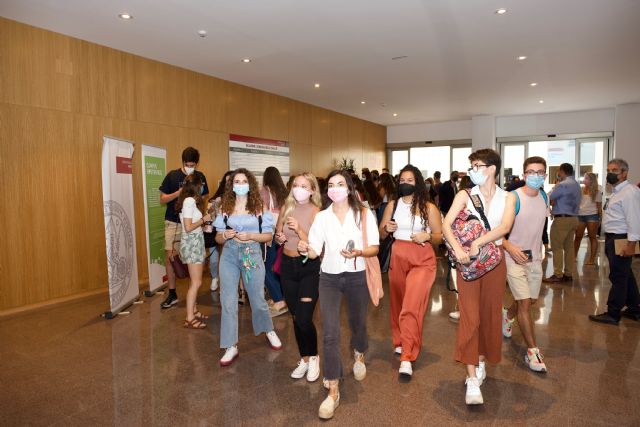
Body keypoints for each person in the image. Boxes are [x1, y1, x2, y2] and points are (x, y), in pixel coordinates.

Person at [297, 170, 380, 420]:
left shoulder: (363, 214)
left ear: (350, 187)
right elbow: (314, 251)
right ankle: (333, 388)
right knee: (330, 333)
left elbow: (375, 247)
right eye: (331, 185)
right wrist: (305, 248)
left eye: (340, 184)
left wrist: (358, 254)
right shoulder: (322, 217)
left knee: (358, 324)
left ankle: (359, 351)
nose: (335, 188)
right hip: (329, 278)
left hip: (357, 276)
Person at [442, 149, 516, 406]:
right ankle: (472, 377)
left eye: (477, 165)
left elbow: (504, 227)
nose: (473, 170)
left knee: (489, 315)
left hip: (495, 264)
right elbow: (446, 224)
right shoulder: (465, 194)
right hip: (469, 266)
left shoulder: (508, 197)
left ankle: (481, 359)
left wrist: (479, 242)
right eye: (471, 165)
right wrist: (461, 249)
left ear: (492, 168)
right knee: (470, 317)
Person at [214, 168, 282, 366]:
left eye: (244, 181)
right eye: (237, 181)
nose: (240, 184)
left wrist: (251, 236)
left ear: (250, 184)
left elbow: (268, 236)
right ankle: (230, 345)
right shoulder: (225, 207)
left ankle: (268, 330)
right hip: (229, 254)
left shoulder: (259, 206)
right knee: (227, 299)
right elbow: (218, 237)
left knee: (257, 297)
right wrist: (225, 235)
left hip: (251, 252)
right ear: (232, 185)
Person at [379, 165, 442, 377]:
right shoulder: (393, 205)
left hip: (422, 259)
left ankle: (407, 355)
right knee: (397, 303)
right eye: (402, 180)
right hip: (398, 255)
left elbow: (439, 236)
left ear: (418, 183)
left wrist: (427, 236)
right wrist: (386, 229)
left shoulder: (429, 207)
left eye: (410, 180)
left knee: (411, 306)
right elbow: (379, 234)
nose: (405, 183)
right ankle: (400, 340)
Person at [501, 156, 550, 372]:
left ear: (546, 176)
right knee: (524, 303)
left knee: (530, 300)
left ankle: (507, 315)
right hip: (513, 258)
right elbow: (496, 230)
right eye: (531, 172)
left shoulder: (544, 197)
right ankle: (533, 352)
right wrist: (510, 248)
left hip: (535, 259)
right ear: (523, 175)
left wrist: (544, 249)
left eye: (540, 172)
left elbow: (541, 226)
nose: (535, 176)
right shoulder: (513, 198)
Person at [275, 173, 322, 382]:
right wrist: (280, 237)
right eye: (296, 185)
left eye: (304, 186)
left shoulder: (316, 213)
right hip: (287, 266)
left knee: (304, 317)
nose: (299, 189)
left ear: (312, 190)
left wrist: (299, 229)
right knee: (296, 317)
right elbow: (278, 236)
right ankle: (304, 358)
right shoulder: (286, 208)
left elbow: (316, 245)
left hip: (308, 267)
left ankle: (314, 357)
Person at [589, 159, 640, 325]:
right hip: (613, 237)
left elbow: (634, 219)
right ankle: (634, 309)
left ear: (624, 173)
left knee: (618, 276)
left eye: (615, 170)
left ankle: (613, 313)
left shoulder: (629, 192)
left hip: (621, 238)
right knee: (626, 275)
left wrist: (631, 244)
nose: (610, 173)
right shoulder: (616, 191)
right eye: (608, 169)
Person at [159, 147, 209, 309]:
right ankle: (172, 293)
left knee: (192, 260)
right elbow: (162, 199)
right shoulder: (172, 176)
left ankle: (191, 296)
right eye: (188, 164)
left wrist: (202, 217)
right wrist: (179, 193)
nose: (190, 167)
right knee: (171, 257)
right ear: (183, 162)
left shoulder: (199, 177)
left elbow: (204, 197)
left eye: (193, 164)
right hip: (174, 222)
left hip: (194, 223)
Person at [176, 174, 212, 329]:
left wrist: (202, 224)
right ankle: (189, 317)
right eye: (201, 184)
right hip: (192, 244)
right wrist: (204, 219)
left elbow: (190, 225)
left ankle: (194, 310)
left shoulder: (187, 201)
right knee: (197, 282)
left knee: (193, 280)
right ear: (196, 185)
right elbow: (188, 227)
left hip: (193, 242)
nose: (203, 186)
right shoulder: (189, 201)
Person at [543, 163, 582, 283]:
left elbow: (549, 197)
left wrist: (553, 190)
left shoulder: (562, 185)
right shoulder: (576, 184)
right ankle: (568, 274)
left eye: (559, 171)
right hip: (574, 218)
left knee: (557, 247)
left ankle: (558, 274)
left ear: (562, 171)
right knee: (569, 248)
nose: (558, 173)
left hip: (562, 220)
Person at [260, 166, 289, 316]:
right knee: (277, 267)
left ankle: (279, 300)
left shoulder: (264, 191)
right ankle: (282, 297)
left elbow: (261, 212)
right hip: (284, 234)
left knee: (264, 268)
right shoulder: (284, 192)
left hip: (270, 234)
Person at [207, 170, 233, 292]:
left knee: (227, 260)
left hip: (230, 233)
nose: (229, 185)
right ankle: (214, 277)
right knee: (214, 259)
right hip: (214, 232)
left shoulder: (240, 199)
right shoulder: (216, 198)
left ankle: (229, 285)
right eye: (227, 182)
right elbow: (208, 215)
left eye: (231, 182)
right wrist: (214, 207)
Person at [574, 172, 602, 266]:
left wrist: (600, 219)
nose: (584, 180)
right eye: (584, 178)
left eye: (586, 178)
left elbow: (599, 206)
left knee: (592, 237)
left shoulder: (597, 191)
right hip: (580, 215)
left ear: (591, 180)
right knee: (578, 236)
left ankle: (591, 259)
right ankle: (574, 256)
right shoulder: (580, 190)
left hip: (593, 216)